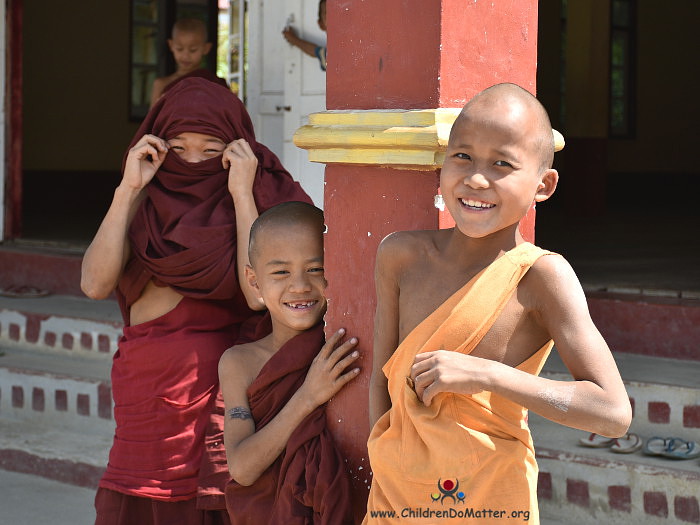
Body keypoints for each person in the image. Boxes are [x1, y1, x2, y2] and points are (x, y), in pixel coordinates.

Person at [364, 83, 632, 524]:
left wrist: (487, 375)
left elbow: (613, 413)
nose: (475, 178)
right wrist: (385, 463)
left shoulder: (540, 275)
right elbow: (382, 380)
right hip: (397, 494)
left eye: (502, 163)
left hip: (492, 496)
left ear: (543, 185)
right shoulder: (400, 256)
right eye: (462, 156)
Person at [82, 77, 311, 525]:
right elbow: (94, 283)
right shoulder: (145, 201)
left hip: (220, 399)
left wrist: (242, 194)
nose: (191, 161)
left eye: (210, 150)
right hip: (146, 400)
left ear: (236, 150)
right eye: (177, 147)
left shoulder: (259, 197)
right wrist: (127, 190)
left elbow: (257, 292)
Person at [220, 201, 358, 524]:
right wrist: (308, 396)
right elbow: (241, 467)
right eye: (281, 272)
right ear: (254, 282)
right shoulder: (239, 362)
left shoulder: (343, 343)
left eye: (315, 269)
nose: (299, 286)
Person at [150, 18, 227, 107]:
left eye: (193, 50)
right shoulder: (161, 84)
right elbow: (153, 119)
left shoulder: (212, 83)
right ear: (171, 45)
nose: (185, 56)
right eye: (180, 49)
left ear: (206, 48)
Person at [282, 0, 327, 71]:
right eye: (328, 13)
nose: (335, 17)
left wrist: (293, 39)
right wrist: (293, 39)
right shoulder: (329, 55)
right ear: (321, 24)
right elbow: (317, 51)